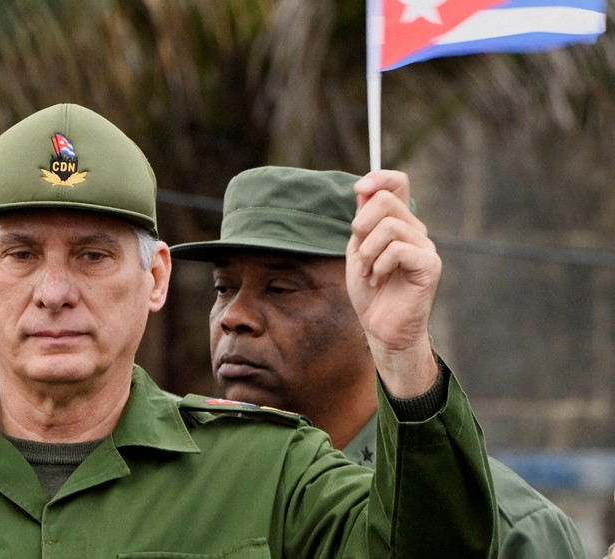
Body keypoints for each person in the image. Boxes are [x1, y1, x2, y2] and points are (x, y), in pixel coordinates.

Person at [0, 103, 497, 557]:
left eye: (93, 256)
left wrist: (402, 353)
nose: (55, 292)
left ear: (154, 278)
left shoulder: (267, 476)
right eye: (22, 254)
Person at [170, 165, 589, 558]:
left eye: (280, 288)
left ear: (380, 296)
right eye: (223, 288)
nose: (233, 317)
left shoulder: (508, 526)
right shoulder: (193, 494)